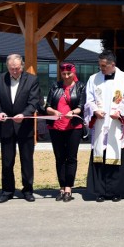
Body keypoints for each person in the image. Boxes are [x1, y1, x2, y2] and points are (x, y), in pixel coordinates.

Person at [85, 50, 124, 202]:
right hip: (101, 124)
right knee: (100, 157)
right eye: (99, 65)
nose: (101, 68)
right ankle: (100, 191)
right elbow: (89, 100)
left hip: (116, 124)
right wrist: (95, 110)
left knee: (116, 155)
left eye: (103, 66)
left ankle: (117, 191)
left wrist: (120, 112)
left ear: (112, 64)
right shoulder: (93, 79)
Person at [0, 54, 41, 203]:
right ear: (7, 67)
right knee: (7, 161)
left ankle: (28, 190)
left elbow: (34, 102)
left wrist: (24, 114)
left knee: (26, 160)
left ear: (22, 66)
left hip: (25, 126)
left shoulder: (32, 80)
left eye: (17, 68)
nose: (14, 72)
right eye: (11, 69)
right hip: (6, 126)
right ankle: (7, 190)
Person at [44, 62, 86, 202]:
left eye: (69, 73)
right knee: (59, 157)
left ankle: (69, 187)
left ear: (74, 73)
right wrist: (54, 111)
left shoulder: (80, 87)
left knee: (71, 157)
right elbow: (47, 106)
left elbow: (81, 106)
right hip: (56, 126)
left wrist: (72, 112)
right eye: (64, 74)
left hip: (73, 126)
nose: (67, 76)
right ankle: (61, 187)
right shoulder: (55, 86)